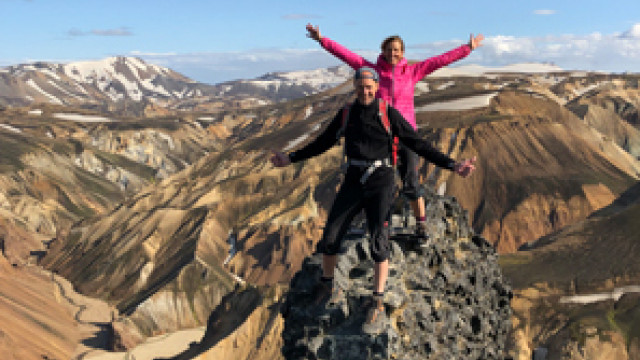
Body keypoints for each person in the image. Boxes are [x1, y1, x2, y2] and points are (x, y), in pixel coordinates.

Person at [271, 67, 476, 333]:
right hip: (354, 179)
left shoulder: (387, 113)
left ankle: (377, 299)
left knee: (379, 238)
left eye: (369, 88)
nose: (364, 92)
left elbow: (416, 142)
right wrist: (290, 158)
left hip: (381, 180)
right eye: (360, 88)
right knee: (331, 235)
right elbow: (322, 142)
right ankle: (328, 284)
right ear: (354, 88)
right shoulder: (347, 114)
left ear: (376, 87)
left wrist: (452, 165)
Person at [306, 24, 484, 236]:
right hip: (380, 136)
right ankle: (378, 226)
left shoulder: (412, 72)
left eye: (397, 50)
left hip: (405, 134)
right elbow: (346, 55)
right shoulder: (371, 71)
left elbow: (439, 61)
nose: (393, 53)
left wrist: (467, 48)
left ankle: (421, 224)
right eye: (389, 49)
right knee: (379, 182)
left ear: (403, 53)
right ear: (383, 51)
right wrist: (322, 40)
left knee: (410, 181)